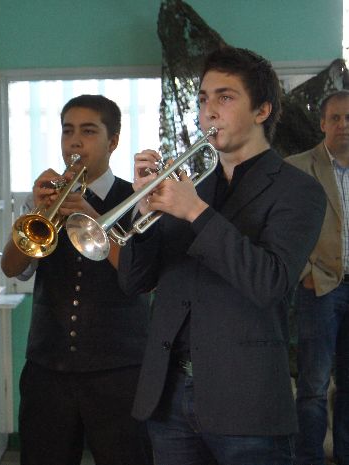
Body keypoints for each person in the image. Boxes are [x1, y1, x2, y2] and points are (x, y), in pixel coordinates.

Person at [117, 46, 327, 465]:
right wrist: (143, 209)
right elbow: (134, 281)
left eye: (225, 97)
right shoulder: (191, 186)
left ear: (262, 110)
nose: (208, 111)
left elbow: (268, 282)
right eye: (202, 99)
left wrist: (196, 212)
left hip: (246, 401)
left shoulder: (298, 190)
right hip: (168, 397)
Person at [1, 94, 152, 465]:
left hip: (119, 371)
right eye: (67, 131)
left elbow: (144, 277)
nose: (74, 142)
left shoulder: (137, 199)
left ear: (113, 141)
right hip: (47, 369)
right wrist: (37, 211)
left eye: (88, 131)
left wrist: (91, 216)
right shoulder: (46, 199)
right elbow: (12, 268)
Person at [286, 89, 349, 465]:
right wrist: (305, 273)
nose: (343, 125)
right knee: (313, 384)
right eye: (336, 118)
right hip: (321, 288)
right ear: (323, 123)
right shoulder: (297, 167)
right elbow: (285, 229)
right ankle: (308, 459)